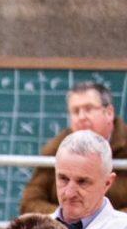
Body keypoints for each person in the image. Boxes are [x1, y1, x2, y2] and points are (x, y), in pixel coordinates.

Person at [21, 81, 127, 216]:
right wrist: (67, 218)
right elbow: (30, 202)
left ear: (109, 112)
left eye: (89, 109)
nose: (81, 117)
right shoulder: (55, 149)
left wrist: (103, 222)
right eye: (76, 111)